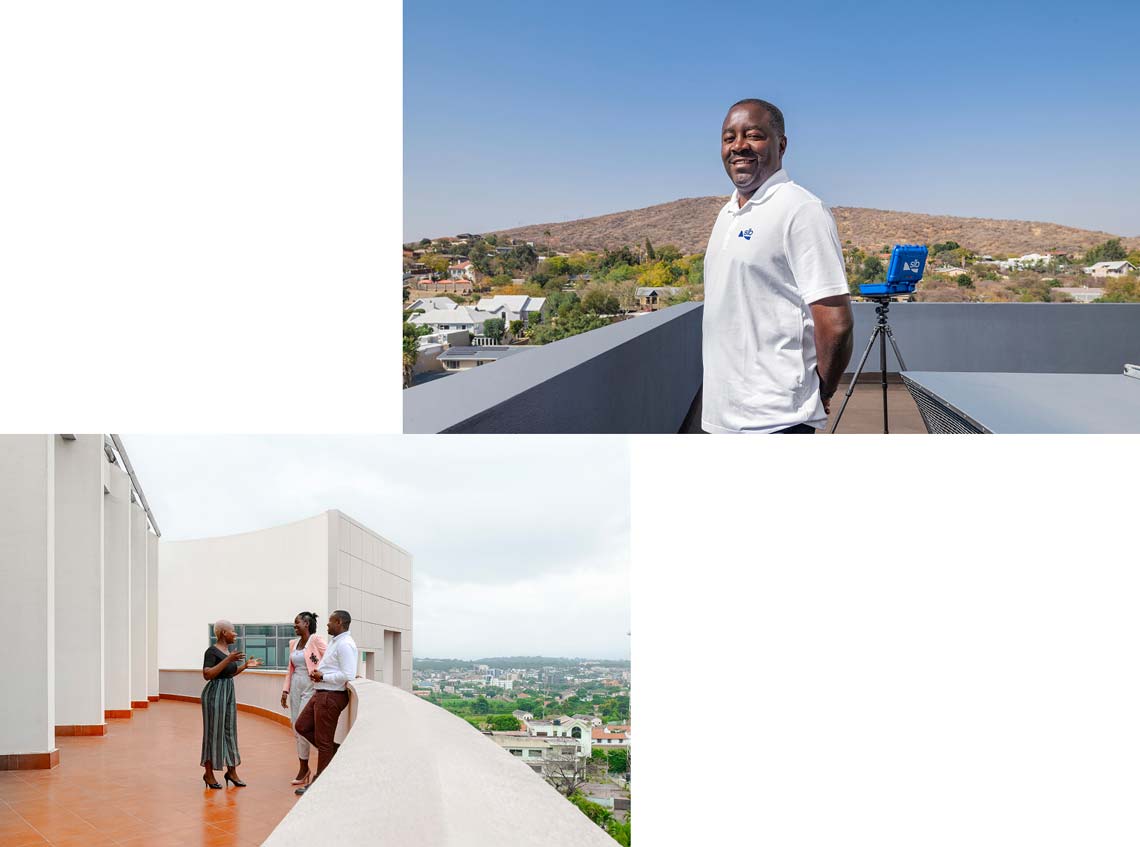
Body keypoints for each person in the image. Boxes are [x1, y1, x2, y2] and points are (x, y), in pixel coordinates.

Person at [701, 98, 854, 434]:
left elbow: (836, 323)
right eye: (729, 138)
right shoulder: (727, 214)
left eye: (753, 135)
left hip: (777, 420)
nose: (739, 146)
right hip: (723, 417)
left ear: (781, 144)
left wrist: (821, 392)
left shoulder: (800, 210)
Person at [293, 609, 358, 795]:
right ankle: (336, 751)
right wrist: (320, 675)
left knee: (323, 741)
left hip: (331, 696)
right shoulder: (335, 642)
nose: (327, 624)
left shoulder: (345, 644)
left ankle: (318, 784)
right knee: (302, 726)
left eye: (330, 621)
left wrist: (323, 676)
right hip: (321, 692)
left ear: (339, 622)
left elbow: (348, 675)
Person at [201, 619, 261, 789]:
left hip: (228, 692)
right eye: (233, 631)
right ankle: (209, 773)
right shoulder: (211, 652)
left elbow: (230, 674)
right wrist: (228, 659)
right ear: (223, 633)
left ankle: (232, 772)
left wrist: (246, 665)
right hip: (214, 694)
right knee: (213, 734)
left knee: (230, 731)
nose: (235, 634)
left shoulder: (228, 651)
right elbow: (207, 674)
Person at [279, 611, 327, 786]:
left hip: (310, 686)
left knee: (302, 726)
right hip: (295, 687)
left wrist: (326, 674)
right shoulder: (294, 643)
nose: (294, 626)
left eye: (296, 623)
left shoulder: (316, 640)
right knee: (295, 726)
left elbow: (329, 658)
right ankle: (304, 767)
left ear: (306, 624)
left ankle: (324, 757)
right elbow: (289, 669)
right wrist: (285, 690)